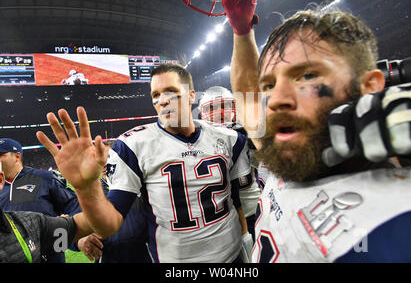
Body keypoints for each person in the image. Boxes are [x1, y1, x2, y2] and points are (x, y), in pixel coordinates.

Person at [221, 0, 411, 262]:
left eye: (306, 77)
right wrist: (241, 32)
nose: (276, 100)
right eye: (270, 85)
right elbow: (247, 95)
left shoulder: (403, 218)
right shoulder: (292, 150)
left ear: (370, 87)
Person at [36, 64, 252, 263]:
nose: (162, 100)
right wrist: (77, 235)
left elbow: (238, 200)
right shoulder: (130, 154)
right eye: (155, 95)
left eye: (170, 91)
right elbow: (72, 226)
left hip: (228, 257)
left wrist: (246, 238)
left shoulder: (229, 139)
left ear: (191, 95)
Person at [0, 138, 80, 263]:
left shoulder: (44, 178)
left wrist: (70, 242)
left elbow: (74, 206)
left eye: (1, 155)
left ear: (16, 156)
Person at [199, 85, 261, 239]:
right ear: (202, 113)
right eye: (212, 108)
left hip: (255, 210)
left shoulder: (247, 135)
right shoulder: (196, 143)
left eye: (224, 106)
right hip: (221, 221)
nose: (220, 113)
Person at [74, 143, 151, 263]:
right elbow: (62, 233)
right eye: (98, 159)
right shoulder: (87, 194)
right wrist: (79, 242)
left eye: (109, 158)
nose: (104, 164)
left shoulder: (144, 189)